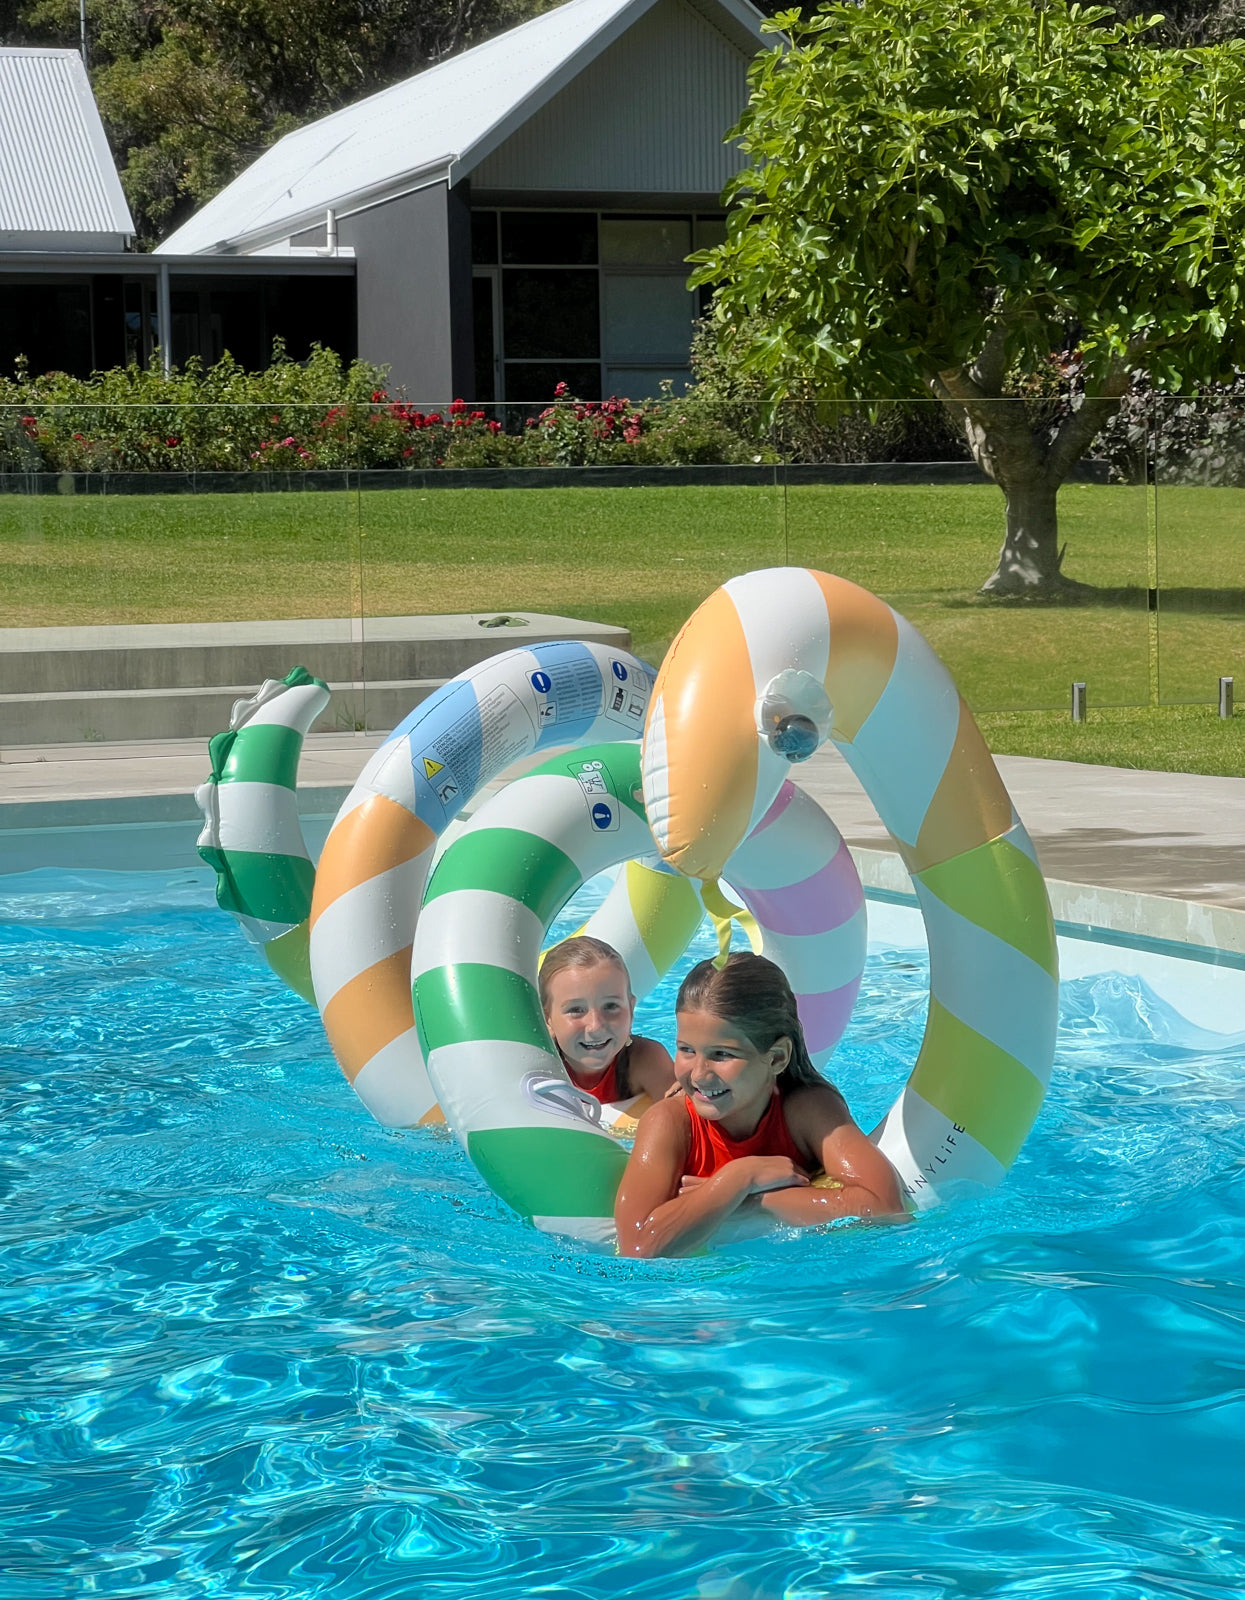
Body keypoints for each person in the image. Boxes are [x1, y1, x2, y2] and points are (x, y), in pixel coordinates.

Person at [614, 952, 905, 1257]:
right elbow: (637, 1246)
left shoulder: (805, 1110)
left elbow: (885, 1207)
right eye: (686, 1050)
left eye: (722, 1054)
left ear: (777, 1057)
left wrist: (751, 1198)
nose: (699, 1074)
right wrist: (741, 1176)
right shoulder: (670, 1122)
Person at [539, 935, 676, 1108]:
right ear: (547, 1019)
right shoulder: (538, 1064)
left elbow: (685, 1118)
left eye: (611, 1006)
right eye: (576, 1010)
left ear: (631, 1009)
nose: (595, 1025)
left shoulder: (644, 1060)